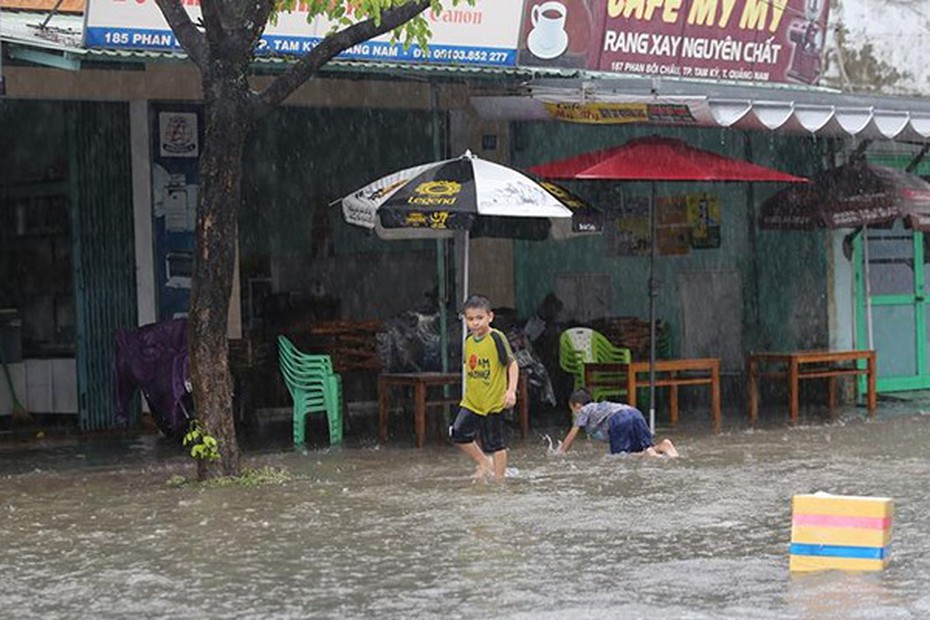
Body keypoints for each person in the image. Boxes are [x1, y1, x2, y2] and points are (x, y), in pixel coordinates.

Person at [450, 295, 519, 481]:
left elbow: (512, 364)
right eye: (470, 319)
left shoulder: (497, 338)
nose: (475, 323)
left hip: (493, 401)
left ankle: (499, 479)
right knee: (458, 433)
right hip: (472, 401)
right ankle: (483, 462)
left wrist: (511, 391)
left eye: (479, 318)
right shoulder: (469, 341)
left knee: (495, 444)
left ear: (490, 316)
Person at [556, 388, 679, 457]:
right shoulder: (599, 408)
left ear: (577, 406)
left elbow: (572, 434)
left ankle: (648, 454)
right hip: (635, 413)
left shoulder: (584, 410)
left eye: (572, 410)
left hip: (619, 419)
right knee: (641, 449)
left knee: (620, 457)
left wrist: (561, 452)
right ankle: (663, 446)